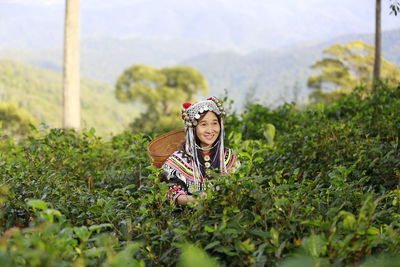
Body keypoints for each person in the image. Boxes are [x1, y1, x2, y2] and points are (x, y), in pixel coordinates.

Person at [161, 97, 239, 205]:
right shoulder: (178, 159)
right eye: (203, 124)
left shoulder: (230, 158)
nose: (210, 130)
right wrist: (197, 200)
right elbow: (173, 194)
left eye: (215, 123)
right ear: (193, 128)